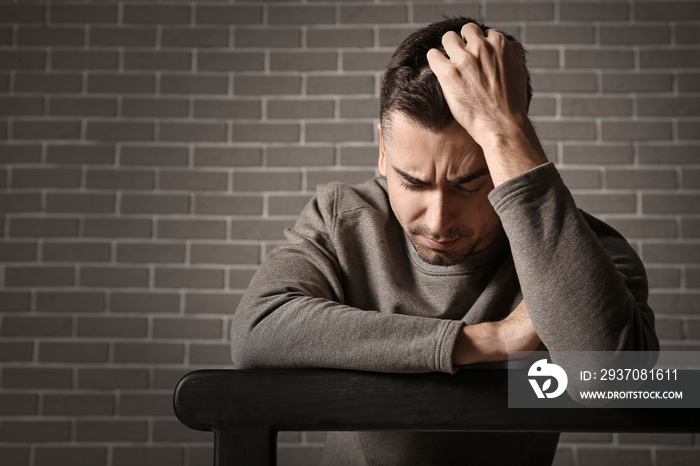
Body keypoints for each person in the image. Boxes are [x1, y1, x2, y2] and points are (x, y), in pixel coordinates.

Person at [230, 16, 659, 465]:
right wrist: (489, 340)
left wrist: (504, 127)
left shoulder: (580, 249)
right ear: (382, 149)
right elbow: (256, 330)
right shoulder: (344, 220)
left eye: (469, 185)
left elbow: (616, 381)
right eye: (412, 183)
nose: (437, 220)